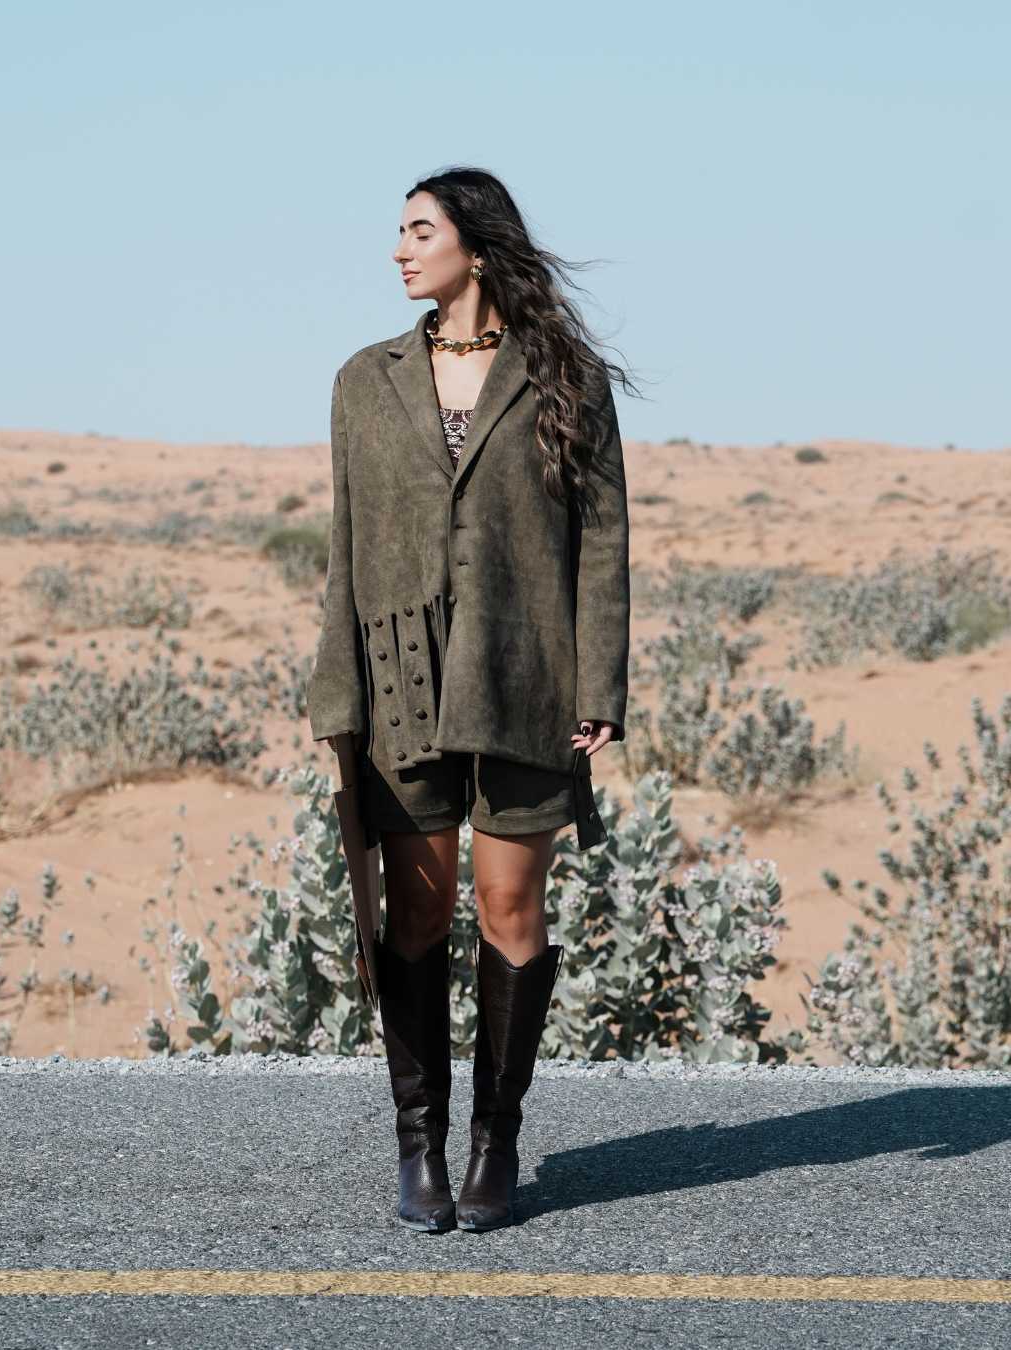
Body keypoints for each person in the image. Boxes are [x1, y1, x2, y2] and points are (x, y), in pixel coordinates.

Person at [307, 166, 635, 1233]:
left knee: (511, 910)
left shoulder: (565, 375)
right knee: (413, 910)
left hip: (523, 678)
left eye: (418, 231)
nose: (399, 251)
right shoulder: (364, 380)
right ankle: (421, 1149)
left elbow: (603, 539)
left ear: (476, 248)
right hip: (400, 678)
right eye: (399, 234)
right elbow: (345, 552)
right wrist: (336, 696)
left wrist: (601, 686)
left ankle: (496, 1142)